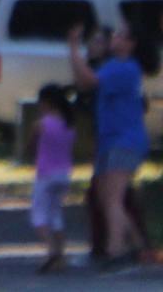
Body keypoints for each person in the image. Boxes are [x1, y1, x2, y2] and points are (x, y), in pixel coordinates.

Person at [67, 21, 150, 268]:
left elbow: (89, 80)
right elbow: (84, 82)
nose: (114, 38)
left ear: (131, 44)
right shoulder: (113, 66)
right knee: (105, 196)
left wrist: (73, 48)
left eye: (121, 35)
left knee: (113, 198)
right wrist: (76, 53)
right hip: (110, 139)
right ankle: (138, 246)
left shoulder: (126, 68)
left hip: (125, 140)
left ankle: (116, 251)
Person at [27, 84, 76, 274]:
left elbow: (31, 147)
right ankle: (61, 256)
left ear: (45, 103)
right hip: (64, 175)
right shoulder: (69, 124)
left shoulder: (41, 124)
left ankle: (51, 250)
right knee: (56, 214)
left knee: (39, 216)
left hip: (45, 175)